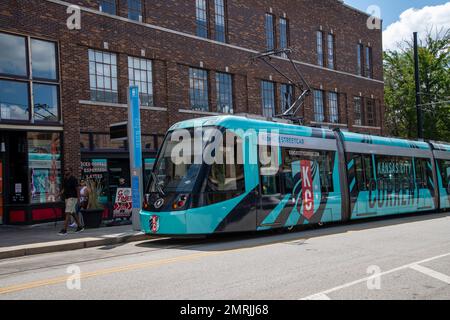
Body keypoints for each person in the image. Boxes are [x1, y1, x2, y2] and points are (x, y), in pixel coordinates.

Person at [58, 168, 84, 235]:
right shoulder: (65, 179)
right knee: (73, 213)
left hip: (73, 198)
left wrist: (79, 199)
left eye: (67, 170)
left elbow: (77, 189)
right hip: (67, 198)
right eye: (65, 170)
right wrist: (58, 195)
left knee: (67, 213)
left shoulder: (73, 179)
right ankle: (80, 227)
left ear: (71, 171)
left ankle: (64, 230)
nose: (66, 171)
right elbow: (63, 189)